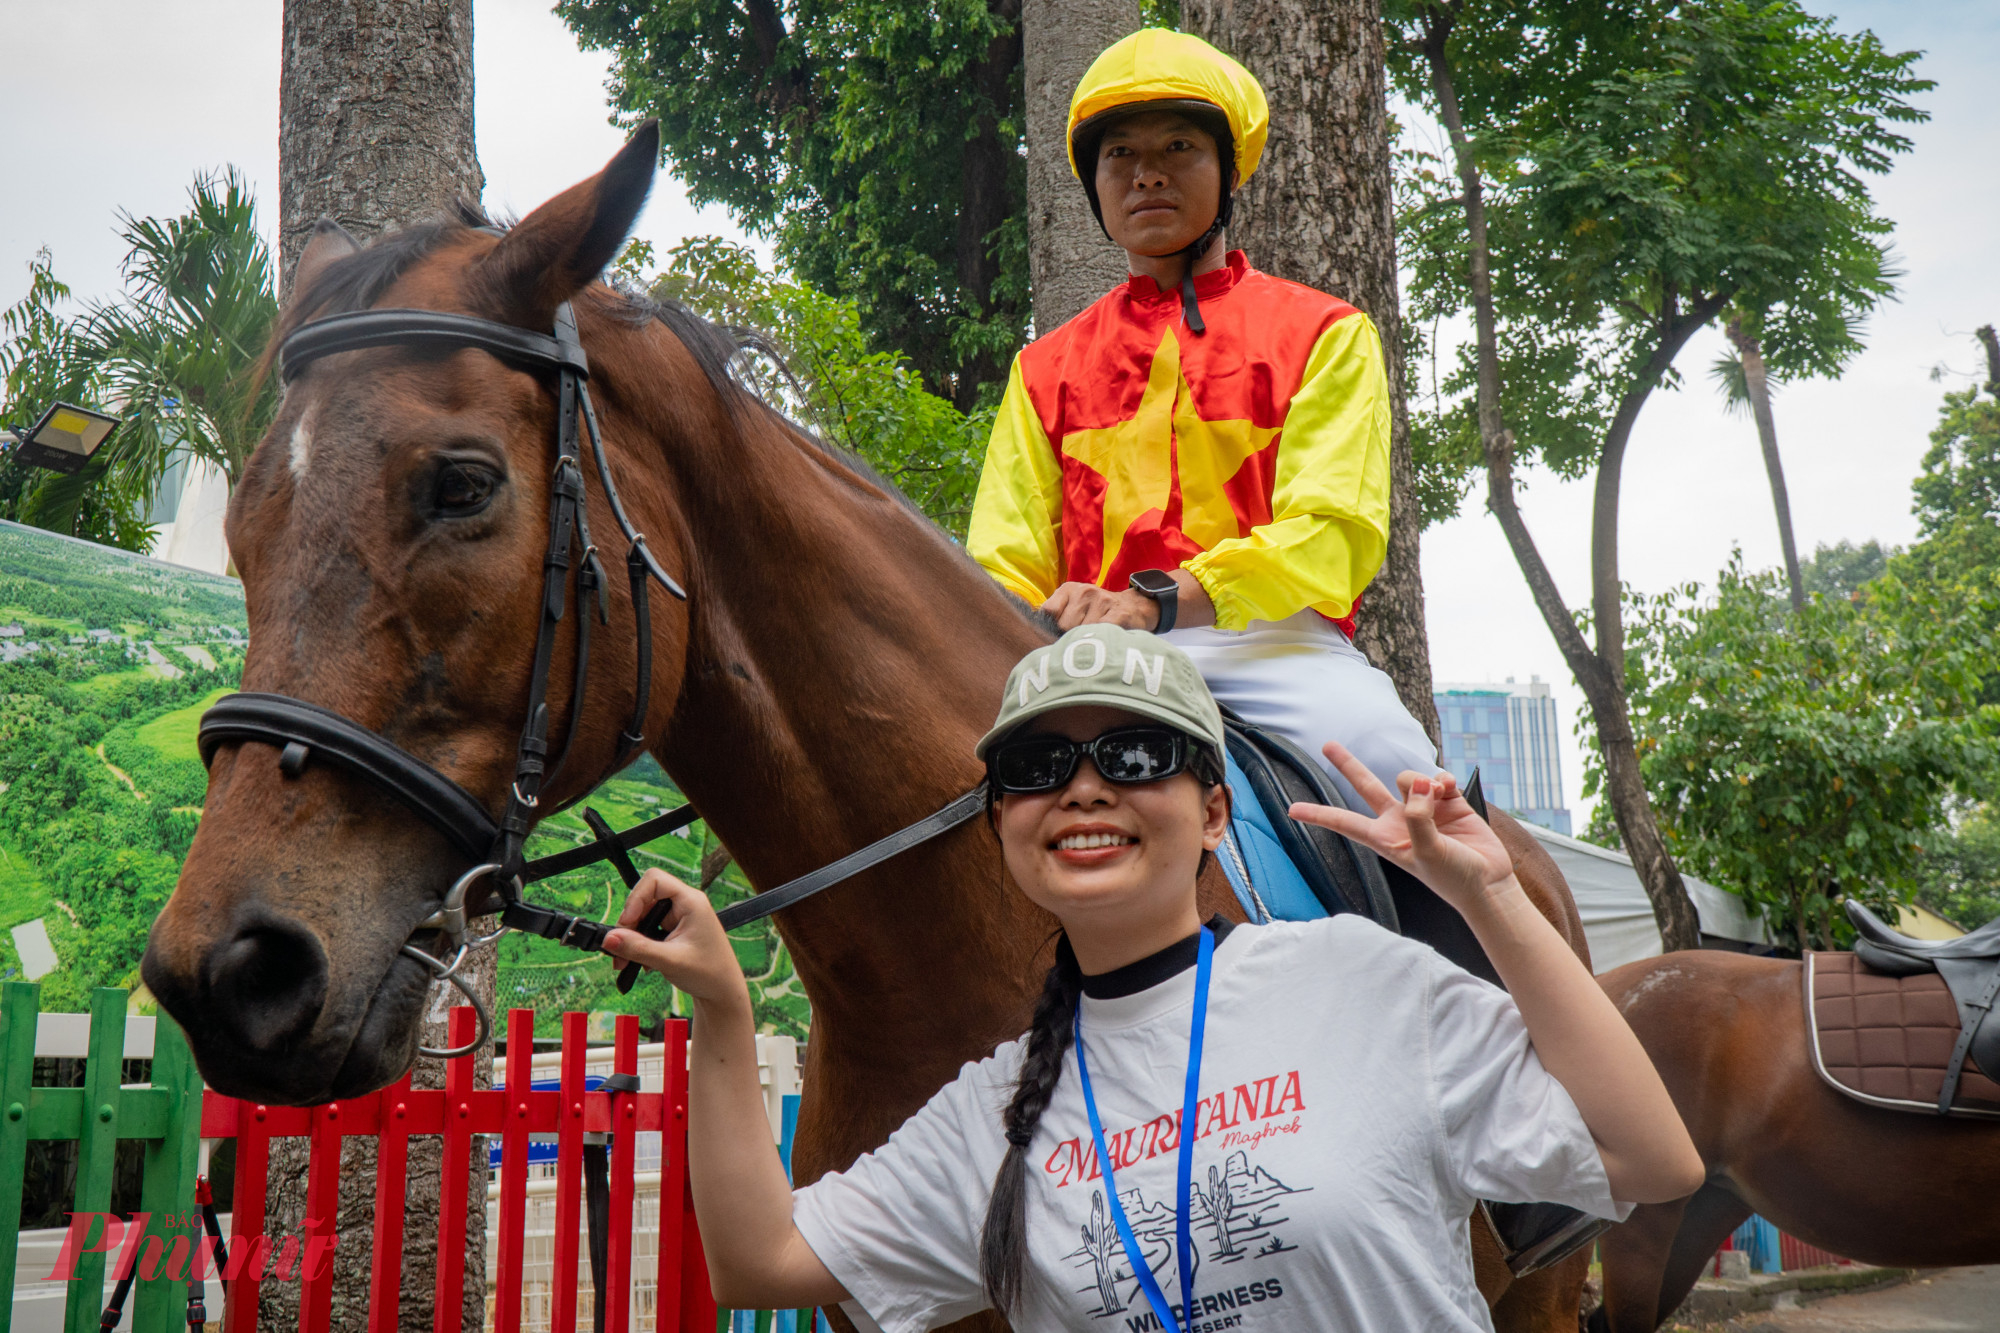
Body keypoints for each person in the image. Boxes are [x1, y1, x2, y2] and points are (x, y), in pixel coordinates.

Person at [601, 625, 1704, 1333]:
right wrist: (722, 1009)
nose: (1083, 789)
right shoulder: (993, 1111)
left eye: (1134, 758)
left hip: (1252, 625)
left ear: (1214, 811)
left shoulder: (1364, 977)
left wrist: (1492, 897)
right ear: (1001, 824)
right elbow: (759, 1261)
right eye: (1038, 767)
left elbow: (1653, 1158)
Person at [967, 29, 1439, 812]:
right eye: (1120, 154)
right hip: (1085, 653)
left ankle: (1456, 893)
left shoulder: (1327, 333)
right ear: (1094, 186)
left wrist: (1161, 600)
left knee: (1394, 764)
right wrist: (1032, 621)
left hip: (1271, 648)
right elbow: (1002, 561)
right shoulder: (1041, 368)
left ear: (1228, 172)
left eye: (1178, 147)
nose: (1147, 173)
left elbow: (1333, 534)